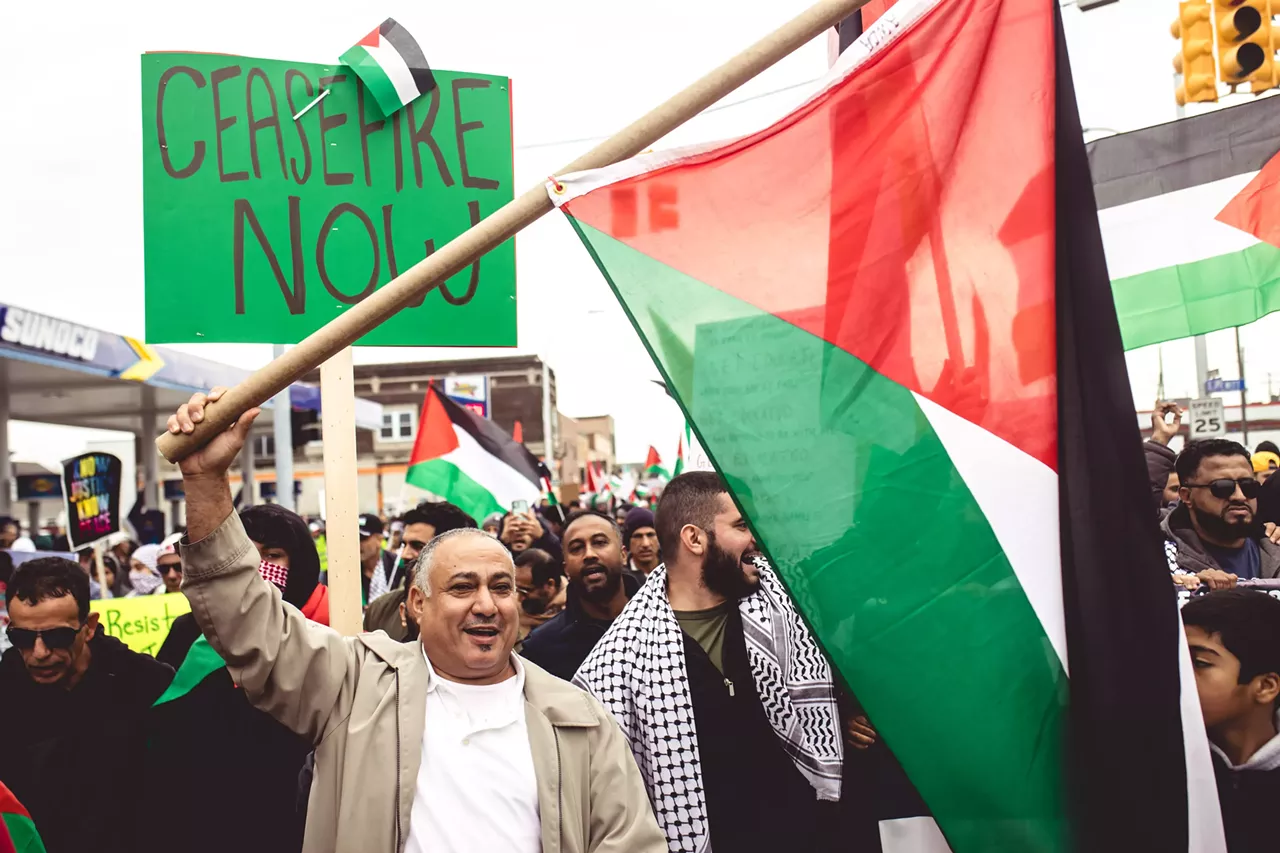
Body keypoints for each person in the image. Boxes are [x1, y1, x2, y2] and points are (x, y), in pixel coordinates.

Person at [165, 388, 665, 852]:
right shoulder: (354, 686)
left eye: (501, 588)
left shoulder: (577, 717)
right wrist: (206, 482)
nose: (487, 605)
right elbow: (246, 619)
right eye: (463, 587)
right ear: (417, 604)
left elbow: (630, 842)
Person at [575, 472, 878, 853]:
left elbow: (849, 654)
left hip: (813, 834)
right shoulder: (621, 660)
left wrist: (847, 711)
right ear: (694, 539)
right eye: (741, 525)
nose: (755, 538)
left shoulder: (791, 599)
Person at [150, 502, 328, 853]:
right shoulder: (191, 630)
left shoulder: (332, 630)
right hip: (210, 816)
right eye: (245, 552)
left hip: (298, 816)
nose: (259, 566)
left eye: (274, 554)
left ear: (301, 563)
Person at [0, 557, 173, 853]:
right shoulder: (7, 688)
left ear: (89, 626)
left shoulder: (146, 684)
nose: (39, 653)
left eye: (57, 636)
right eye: (22, 638)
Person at [1182, 589, 1280, 853]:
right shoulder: (1163, 763)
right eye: (1177, 659)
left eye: (1200, 663)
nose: (1179, 675)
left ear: (1265, 687)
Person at [522, 511, 642, 681]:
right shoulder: (541, 648)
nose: (589, 554)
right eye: (577, 548)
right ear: (566, 569)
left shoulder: (664, 621)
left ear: (623, 555)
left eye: (600, 543)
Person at [1165, 439, 1280, 590]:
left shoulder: (1274, 547)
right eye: (1222, 487)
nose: (1239, 496)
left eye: (1248, 486)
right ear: (1186, 496)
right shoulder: (1160, 563)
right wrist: (1188, 594)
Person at [364, 500, 477, 641]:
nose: (405, 554)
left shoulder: (480, 612)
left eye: (417, 546)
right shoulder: (381, 611)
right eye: (404, 544)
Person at [514, 548, 564, 640]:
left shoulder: (576, 610)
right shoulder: (513, 610)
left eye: (525, 591)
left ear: (550, 584)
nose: (519, 599)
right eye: (517, 590)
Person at [1146, 400, 1181, 512]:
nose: (1182, 497)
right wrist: (1160, 439)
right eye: (1175, 489)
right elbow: (1139, 502)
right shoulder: (1165, 526)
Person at [359, 513, 398, 605]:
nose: (357, 543)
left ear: (379, 539)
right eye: (353, 538)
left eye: (362, 538)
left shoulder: (397, 566)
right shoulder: (347, 572)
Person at [623, 506, 661, 581]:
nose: (645, 544)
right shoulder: (622, 579)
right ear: (628, 542)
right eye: (638, 536)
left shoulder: (674, 569)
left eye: (650, 535)